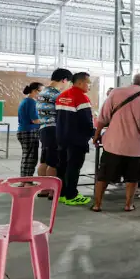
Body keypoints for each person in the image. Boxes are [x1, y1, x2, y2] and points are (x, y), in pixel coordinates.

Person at [91, 74, 140, 212]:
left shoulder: (115, 93)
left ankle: (97, 204)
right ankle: (128, 205)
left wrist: (97, 135)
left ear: (133, 82)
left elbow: (103, 117)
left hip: (112, 144)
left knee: (104, 175)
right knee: (132, 178)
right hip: (134, 147)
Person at [55, 72, 96, 206]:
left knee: (62, 166)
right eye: (88, 83)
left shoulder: (61, 96)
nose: (89, 85)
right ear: (80, 83)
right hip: (77, 139)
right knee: (74, 167)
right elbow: (86, 122)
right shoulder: (82, 98)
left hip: (61, 137)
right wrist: (94, 133)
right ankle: (72, 195)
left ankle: (62, 194)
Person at [36, 68, 72, 198]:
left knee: (44, 160)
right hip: (54, 130)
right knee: (54, 162)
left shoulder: (42, 92)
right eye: (69, 83)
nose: (68, 85)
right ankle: (52, 191)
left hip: (43, 129)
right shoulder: (57, 95)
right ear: (64, 80)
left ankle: (44, 189)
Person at [17, 82, 44, 178]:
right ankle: (26, 181)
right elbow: (35, 120)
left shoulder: (26, 101)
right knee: (31, 158)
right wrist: (48, 120)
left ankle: (24, 180)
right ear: (34, 91)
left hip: (24, 131)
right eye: (41, 91)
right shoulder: (31, 102)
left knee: (27, 157)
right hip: (29, 132)